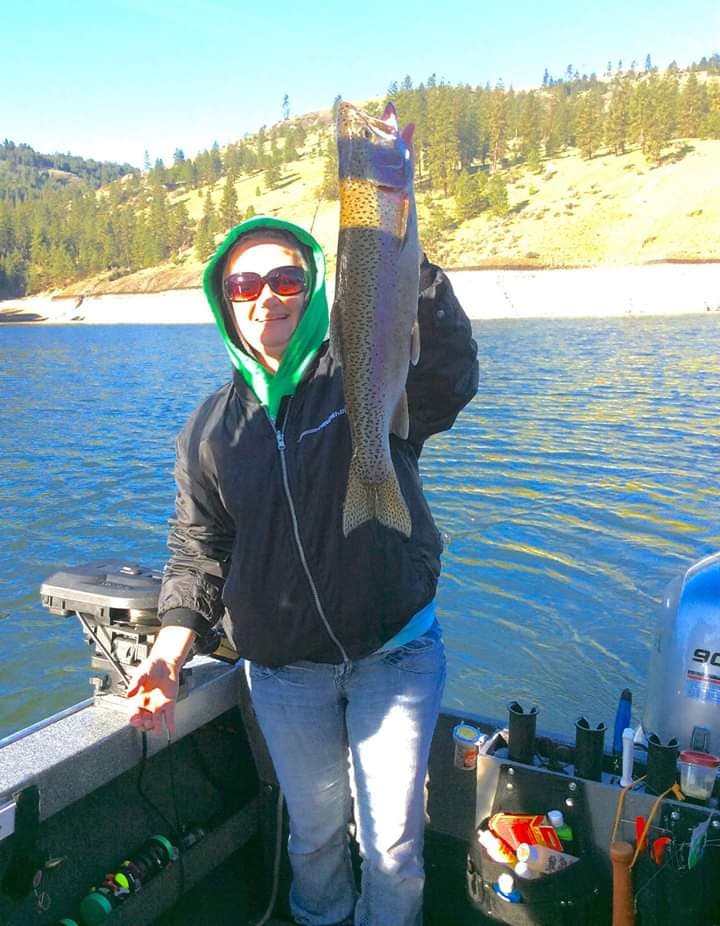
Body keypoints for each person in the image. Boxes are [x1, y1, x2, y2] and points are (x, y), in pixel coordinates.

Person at [127, 215, 478, 926]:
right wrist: (167, 657)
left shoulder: (365, 372)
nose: (268, 297)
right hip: (286, 675)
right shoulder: (207, 430)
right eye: (245, 284)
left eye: (286, 278)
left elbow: (448, 376)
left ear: (313, 285)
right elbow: (198, 547)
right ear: (223, 301)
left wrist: (400, 250)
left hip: (395, 656)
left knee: (393, 847)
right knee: (315, 840)